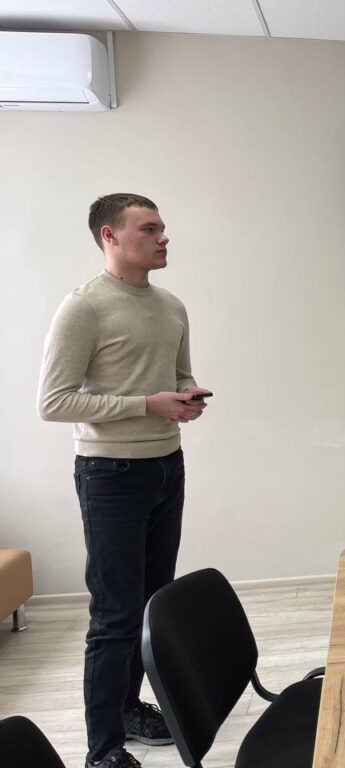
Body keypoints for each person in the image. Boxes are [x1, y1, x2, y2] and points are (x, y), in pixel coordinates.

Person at [38, 194, 210, 768]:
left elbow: (179, 374)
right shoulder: (83, 308)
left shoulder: (172, 306)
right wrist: (146, 404)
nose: (164, 238)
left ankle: (131, 708)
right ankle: (103, 749)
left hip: (167, 464)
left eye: (163, 228)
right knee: (114, 615)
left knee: (152, 603)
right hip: (110, 474)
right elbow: (54, 401)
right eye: (149, 229)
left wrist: (184, 397)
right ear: (109, 236)